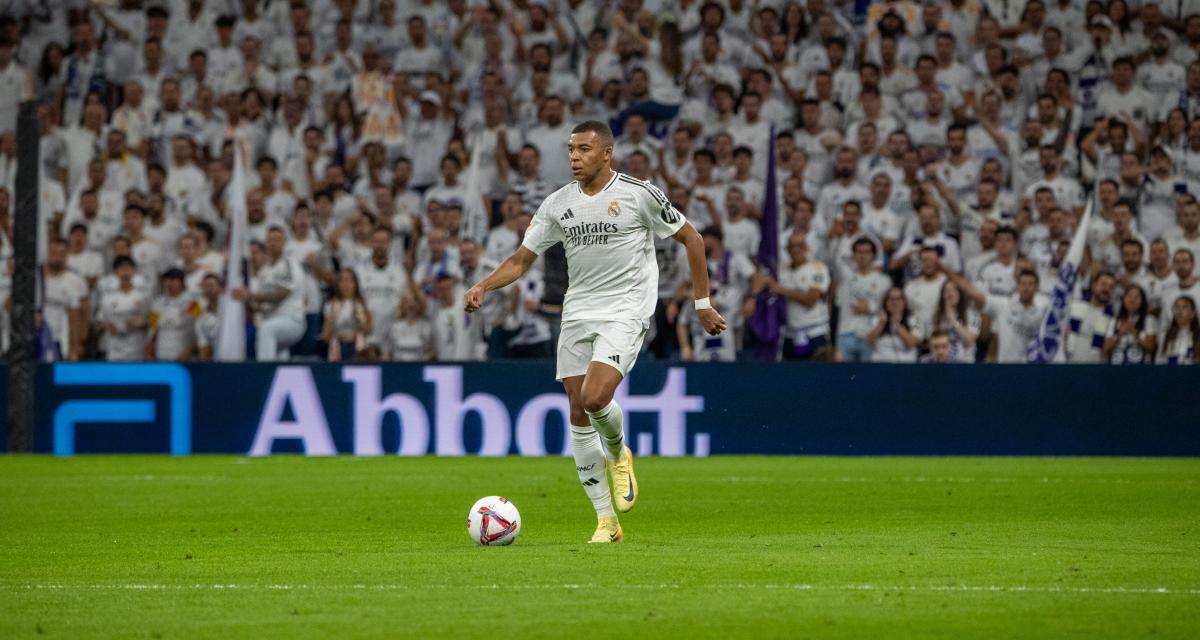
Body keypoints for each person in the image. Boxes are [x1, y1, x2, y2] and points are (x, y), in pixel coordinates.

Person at [463, 121, 726, 544]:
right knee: (577, 411)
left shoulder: (639, 194)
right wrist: (483, 285)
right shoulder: (557, 203)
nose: (574, 157)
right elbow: (521, 260)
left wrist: (702, 304)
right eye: (571, 149)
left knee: (595, 396)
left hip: (625, 309)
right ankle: (606, 522)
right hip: (578, 311)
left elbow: (692, 239)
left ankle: (619, 453)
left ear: (607, 153)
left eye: (584, 149)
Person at [943, 267, 1049, 364]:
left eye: (1030, 284)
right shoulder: (1004, 305)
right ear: (1017, 286)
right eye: (1023, 283)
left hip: (1032, 367)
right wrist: (944, 268)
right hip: (1006, 368)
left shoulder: (1043, 314)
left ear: (1037, 287)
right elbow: (972, 291)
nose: (1026, 288)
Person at [233, 226, 306, 361]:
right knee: (277, 349)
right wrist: (245, 300)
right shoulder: (264, 270)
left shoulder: (289, 264)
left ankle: (264, 370)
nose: (273, 243)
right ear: (266, 243)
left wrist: (250, 295)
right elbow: (261, 302)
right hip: (272, 319)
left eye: (277, 240)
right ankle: (279, 372)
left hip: (292, 320)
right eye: (270, 240)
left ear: (284, 242)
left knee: (266, 330)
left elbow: (281, 294)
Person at [835, 237, 891, 362]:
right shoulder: (845, 278)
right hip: (846, 332)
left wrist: (870, 307)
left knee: (868, 373)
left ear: (874, 256)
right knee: (843, 373)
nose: (862, 256)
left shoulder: (884, 281)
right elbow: (837, 259)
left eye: (866, 252)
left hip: (870, 334)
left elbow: (889, 307)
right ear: (853, 255)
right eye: (859, 252)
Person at [147, 269, 198, 362]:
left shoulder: (192, 302)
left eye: (173, 280)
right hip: (161, 352)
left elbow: (199, 327)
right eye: (167, 280)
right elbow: (153, 327)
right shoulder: (157, 302)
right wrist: (150, 347)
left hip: (183, 352)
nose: (170, 284)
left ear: (182, 282)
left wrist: (191, 350)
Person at [322, 269, 373, 362]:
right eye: (343, 280)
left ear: (355, 284)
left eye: (350, 280)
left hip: (357, 346)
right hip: (338, 347)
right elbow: (325, 336)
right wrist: (331, 319)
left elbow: (369, 330)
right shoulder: (330, 305)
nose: (347, 284)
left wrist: (359, 320)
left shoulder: (363, 304)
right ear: (338, 284)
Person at [1103, 285, 1157, 365]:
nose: (1132, 300)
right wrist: (1119, 335)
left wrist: (1133, 331)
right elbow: (1106, 349)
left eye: (1136, 297)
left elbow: (1151, 347)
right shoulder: (1114, 321)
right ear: (1124, 299)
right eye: (1129, 295)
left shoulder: (1149, 320)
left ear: (1142, 301)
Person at [866, 287, 922, 363]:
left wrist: (897, 325)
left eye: (898, 299)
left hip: (906, 365)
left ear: (904, 302)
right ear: (885, 302)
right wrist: (881, 324)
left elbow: (911, 343)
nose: (895, 302)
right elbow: (869, 341)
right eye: (891, 299)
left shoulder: (913, 320)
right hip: (881, 363)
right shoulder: (877, 319)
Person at [1158, 296, 1198, 364]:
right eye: (1176, 307)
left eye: (1184, 307)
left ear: (1193, 313)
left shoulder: (1197, 336)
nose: (1179, 311)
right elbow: (1159, 360)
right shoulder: (1166, 335)